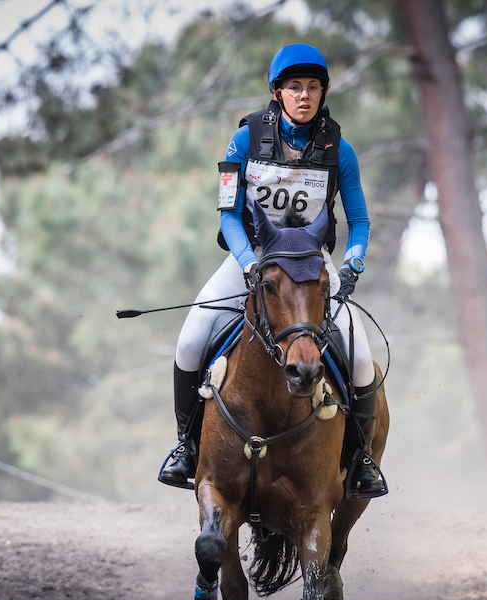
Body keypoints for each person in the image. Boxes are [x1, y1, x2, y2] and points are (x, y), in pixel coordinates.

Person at [159, 42, 386, 499]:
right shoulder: (244, 139)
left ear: (323, 93)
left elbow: (359, 220)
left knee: (361, 359)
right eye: (295, 87)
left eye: (314, 88)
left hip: (310, 265)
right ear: (277, 92)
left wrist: (352, 263)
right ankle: (186, 447)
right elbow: (227, 213)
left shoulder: (341, 150)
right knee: (189, 340)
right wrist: (247, 263)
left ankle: (360, 460)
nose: (305, 96)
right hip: (254, 258)